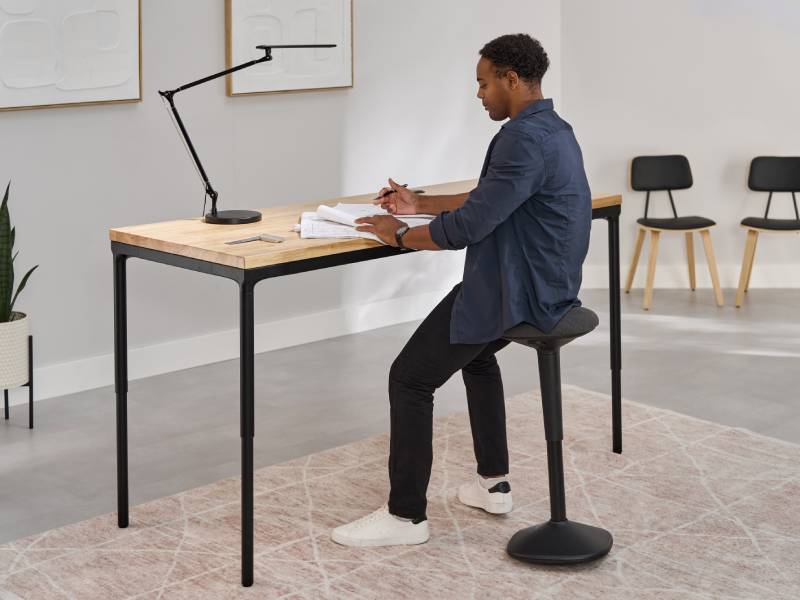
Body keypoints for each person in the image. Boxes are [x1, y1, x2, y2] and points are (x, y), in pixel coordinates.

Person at [331, 33, 592, 547]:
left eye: (483, 82)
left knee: (409, 378)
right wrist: (415, 203)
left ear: (511, 80)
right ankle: (492, 484)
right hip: (552, 287)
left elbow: (469, 228)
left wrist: (400, 235)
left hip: (517, 292)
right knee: (476, 356)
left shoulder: (520, 137)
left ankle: (405, 518)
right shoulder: (554, 130)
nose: (479, 95)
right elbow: (487, 197)